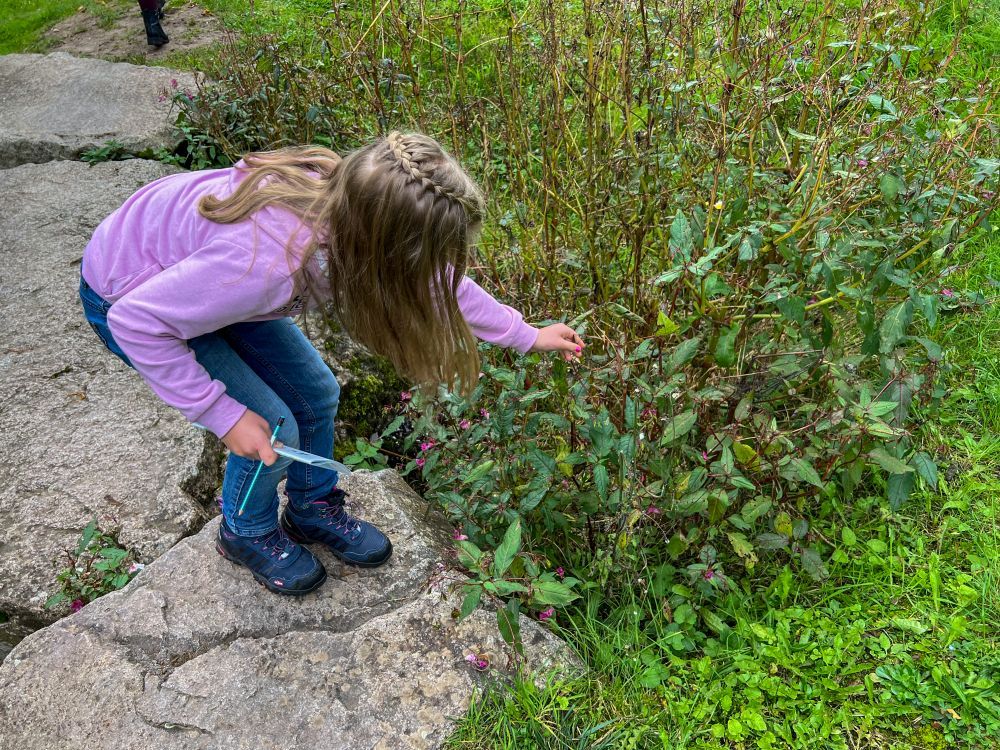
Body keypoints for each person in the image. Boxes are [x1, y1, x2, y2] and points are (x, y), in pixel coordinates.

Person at [79, 132, 585, 595]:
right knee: (274, 424)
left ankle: (310, 504)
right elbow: (137, 323)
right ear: (382, 247)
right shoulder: (265, 264)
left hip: (207, 288)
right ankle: (245, 529)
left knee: (316, 393)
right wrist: (223, 415)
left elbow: (435, 281)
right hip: (133, 297)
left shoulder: (360, 207)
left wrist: (525, 334)